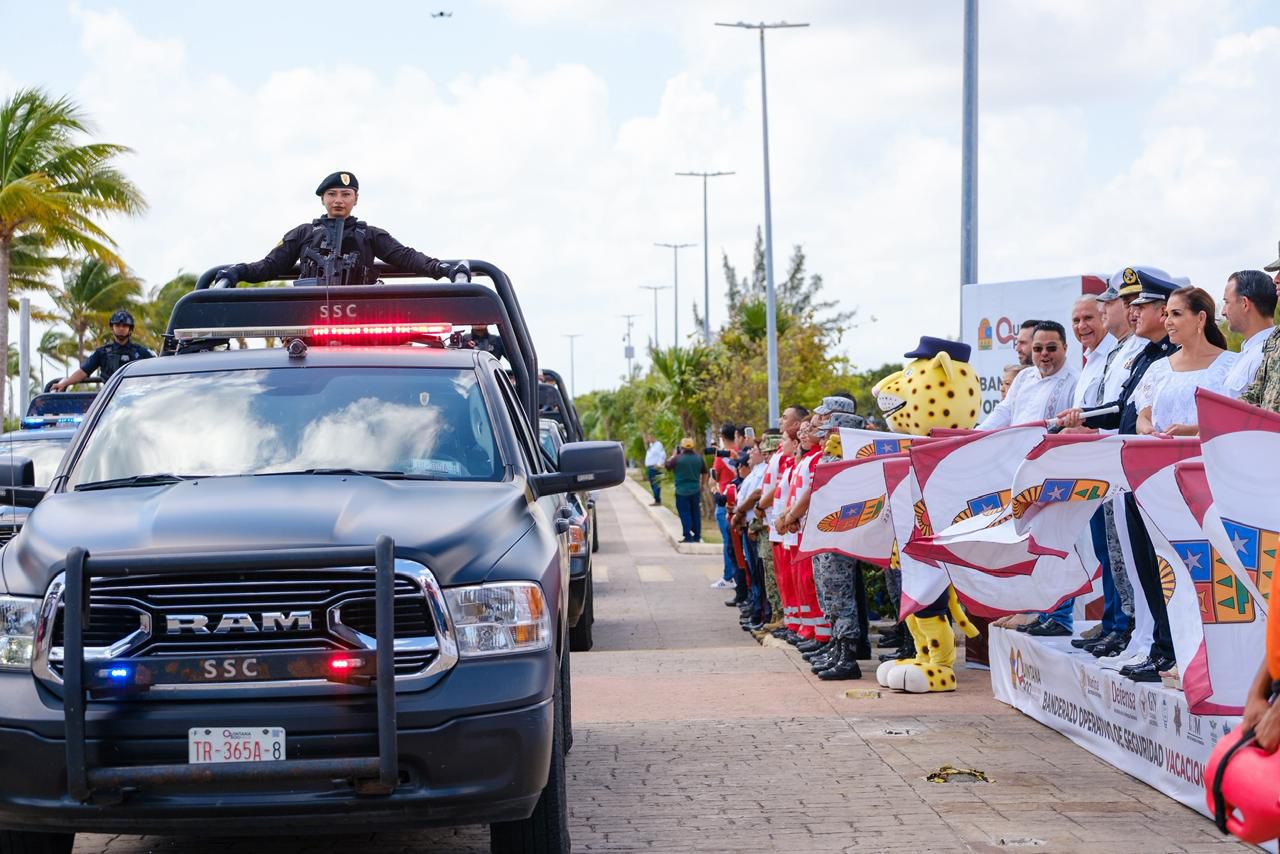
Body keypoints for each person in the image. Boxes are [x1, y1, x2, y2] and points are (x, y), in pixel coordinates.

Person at [1058, 268, 1182, 683]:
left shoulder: (1164, 356)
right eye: (1128, 304)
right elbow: (1124, 408)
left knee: (1157, 566)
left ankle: (1158, 644)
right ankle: (1146, 640)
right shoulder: (1144, 355)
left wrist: (1089, 419)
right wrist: (1083, 418)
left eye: (1140, 305)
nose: (1132, 312)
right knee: (1133, 562)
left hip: (1155, 472)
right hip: (1128, 467)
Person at [217, 171, 467, 286]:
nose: (338, 200)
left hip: (361, 317)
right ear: (322, 199)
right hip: (307, 317)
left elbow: (406, 257)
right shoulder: (302, 234)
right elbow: (270, 266)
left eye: (346, 194)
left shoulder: (370, 235)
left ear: (355, 199)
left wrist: (442, 268)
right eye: (332, 194)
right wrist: (238, 271)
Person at [1135, 286, 1236, 437]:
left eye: (1176, 314)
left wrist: (1193, 431)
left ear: (1200, 318)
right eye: (1166, 314)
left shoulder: (1232, 365)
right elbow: (1143, 417)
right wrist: (1148, 430)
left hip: (1211, 451)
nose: (1167, 322)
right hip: (1162, 450)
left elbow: (1240, 419)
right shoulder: (1158, 369)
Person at [978, 321, 1077, 430]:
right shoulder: (1024, 376)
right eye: (1037, 348)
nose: (1044, 353)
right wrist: (977, 434)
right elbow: (1004, 411)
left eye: (1051, 348)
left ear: (1065, 348)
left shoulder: (1076, 382)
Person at [52, 309, 153, 390]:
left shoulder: (141, 352)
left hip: (136, 397)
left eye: (125, 326)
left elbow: (156, 370)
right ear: (112, 328)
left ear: (130, 329)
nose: (121, 328)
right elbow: (83, 371)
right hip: (110, 398)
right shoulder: (102, 353)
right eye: (117, 325)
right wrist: (65, 383)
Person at [1222, 270, 1278, 400]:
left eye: (1227, 302)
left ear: (1244, 303)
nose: (1223, 312)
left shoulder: (1268, 355)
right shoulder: (1250, 351)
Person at [711, 423, 741, 591]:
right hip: (738, 501)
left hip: (724, 500)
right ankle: (736, 577)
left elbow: (714, 476)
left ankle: (728, 577)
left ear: (722, 438)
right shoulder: (739, 453)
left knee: (728, 542)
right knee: (736, 543)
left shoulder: (720, 457)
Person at [665, 437, 707, 543]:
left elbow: (667, 466)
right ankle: (697, 536)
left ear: (682, 447)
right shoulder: (699, 458)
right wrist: (702, 485)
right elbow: (705, 472)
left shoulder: (677, 459)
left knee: (684, 513)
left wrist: (673, 455)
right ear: (693, 447)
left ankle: (687, 535)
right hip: (695, 490)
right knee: (696, 513)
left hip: (681, 491)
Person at [643, 434, 666, 505]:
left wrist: (658, 464)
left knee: (656, 484)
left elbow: (663, 455)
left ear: (653, 437)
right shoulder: (651, 445)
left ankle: (657, 501)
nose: (648, 439)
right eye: (648, 438)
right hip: (650, 468)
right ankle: (657, 499)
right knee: (652, 485)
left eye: (649, 437)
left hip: (655, 468)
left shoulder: (658, 445)